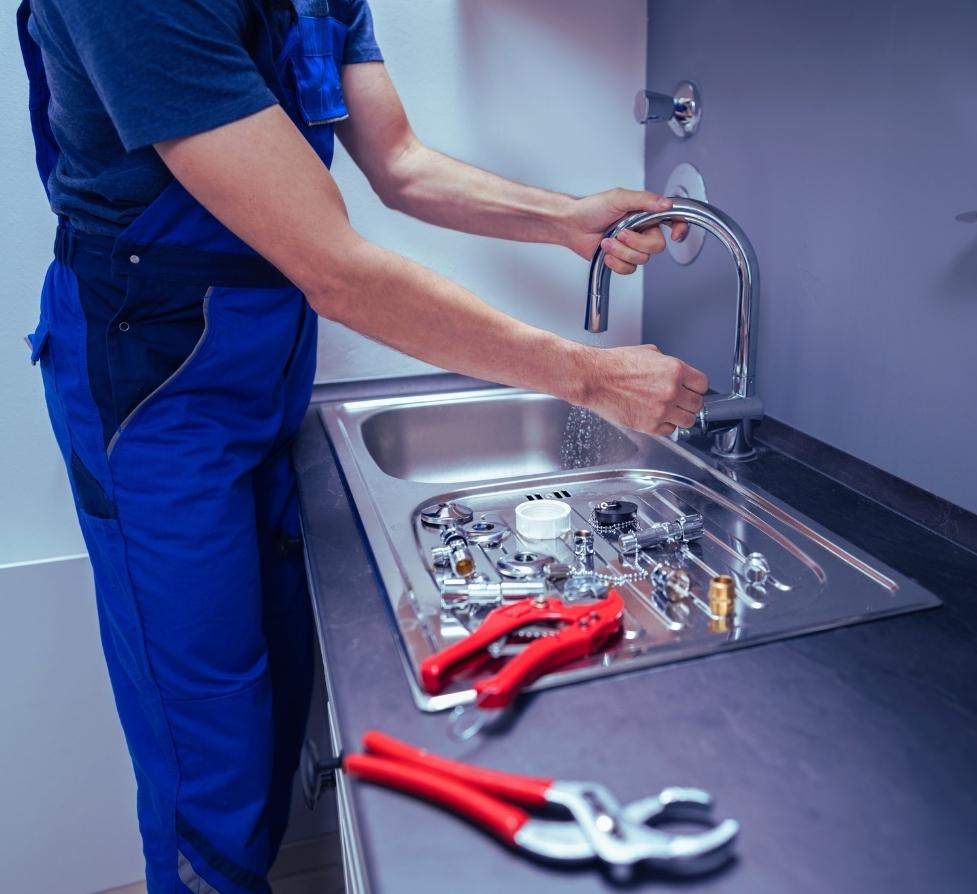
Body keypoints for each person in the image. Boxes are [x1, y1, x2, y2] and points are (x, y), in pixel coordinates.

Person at [17, 0, 708, 890]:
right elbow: (336, 268)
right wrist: (590, 376)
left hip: (263, 363)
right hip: (149, 387)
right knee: (205, 731)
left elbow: (401, 165)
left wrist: (566, 218)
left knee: (273, 687)